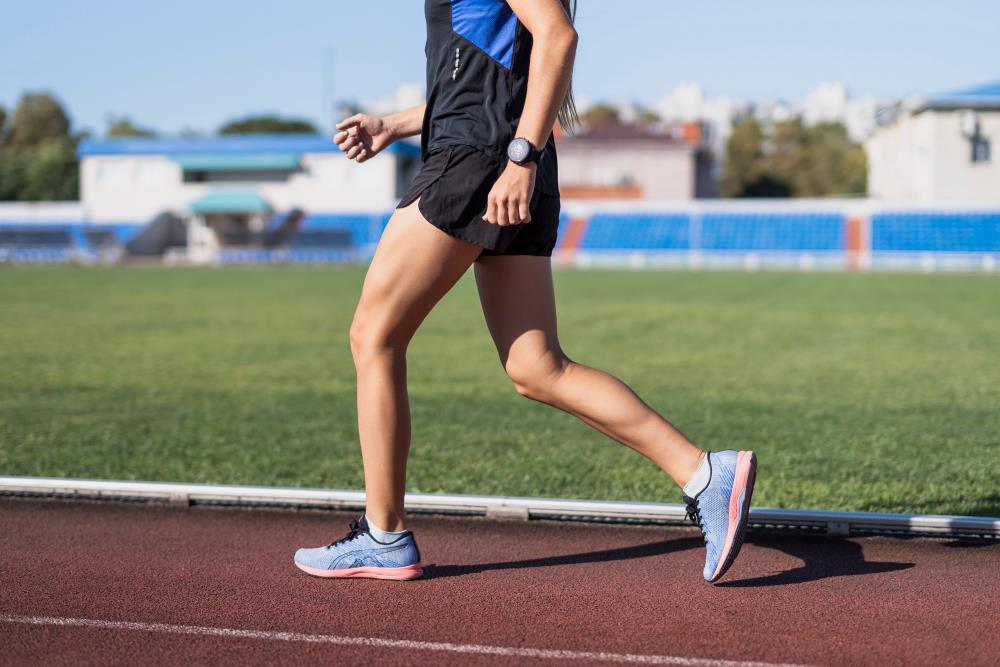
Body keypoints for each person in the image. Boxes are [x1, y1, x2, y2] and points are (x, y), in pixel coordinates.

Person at [293, 0, 757, 584]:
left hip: (482, 162)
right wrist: (395, 124)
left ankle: (384, 536)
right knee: (538, 369)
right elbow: (486, 74)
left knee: (374, 336)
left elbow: (557, 36)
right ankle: (703, 474)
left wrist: (522, 155)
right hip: (501, 160)